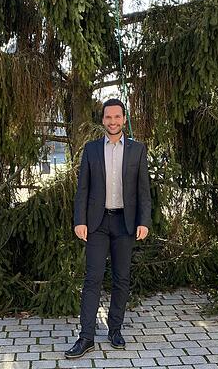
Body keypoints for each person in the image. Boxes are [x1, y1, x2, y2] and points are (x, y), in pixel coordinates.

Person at [65, 98, 152, 359]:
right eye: (108, 117)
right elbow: (83, 190)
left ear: (124, 119)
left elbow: (143, 191)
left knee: (121, 279)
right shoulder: (91, 150)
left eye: (117, 117)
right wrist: (79, 220)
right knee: (92, 279)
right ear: (102, 120)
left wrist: (143, 221)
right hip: (97, 223)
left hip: (125, 223)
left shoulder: (138, 150)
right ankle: (86, 337)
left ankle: (115, 329)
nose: (113, 122)